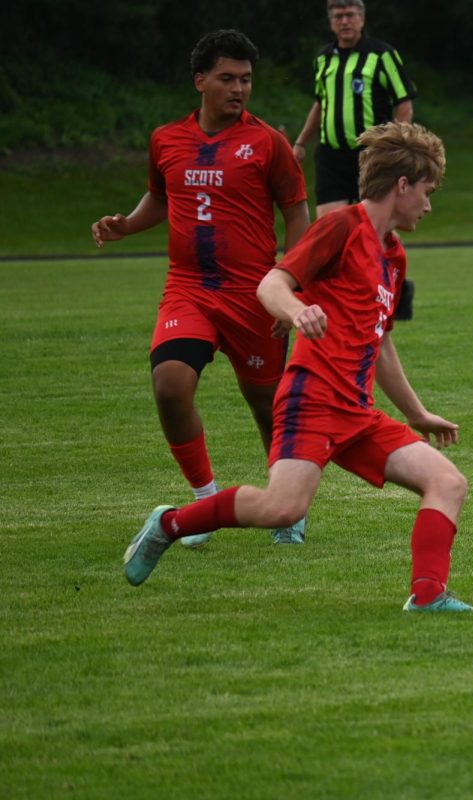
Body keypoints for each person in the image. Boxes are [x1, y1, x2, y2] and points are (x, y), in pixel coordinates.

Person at [123, 121, 473, 613]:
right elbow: (271, 285)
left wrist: (417, 414)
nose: (429, 204)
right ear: (402, 186)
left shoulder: (393, 257)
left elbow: (383, 345)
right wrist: (296, 311)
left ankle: (428, 596)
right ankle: (169, 525)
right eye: (427, 191)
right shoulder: (340, 227)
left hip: (356, 412)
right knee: (283, 508)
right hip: (311, 400)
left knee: (448, 482)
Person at [91, 30, 310, 547]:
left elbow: (297, 212)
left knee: (267, 406)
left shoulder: (267, 144)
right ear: (200, 81)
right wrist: (126, 225)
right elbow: (161, 197)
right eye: (228, 78)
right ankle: (203, 497)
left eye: (247, 80)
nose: (239, 89)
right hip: (188, 289)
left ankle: (287, 508)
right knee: (169, 384)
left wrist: (290, 284)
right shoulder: (166, 139)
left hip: (253, 294)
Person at [291, 0, 417, 218]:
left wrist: (394, 145)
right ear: (331, 23)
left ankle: (384, 252)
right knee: (330, 226)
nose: (345, 21)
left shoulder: (381, 55)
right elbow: (321, 103)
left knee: (376, 225)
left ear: (362, 19)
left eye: (350, 15)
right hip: (331, 157)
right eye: (338, 17)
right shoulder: (324, 59)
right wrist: (301, 143)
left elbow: (404, 103)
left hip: (371, 155)